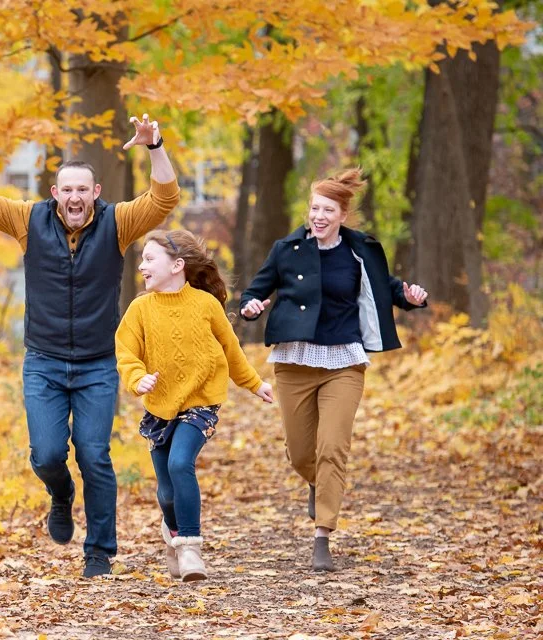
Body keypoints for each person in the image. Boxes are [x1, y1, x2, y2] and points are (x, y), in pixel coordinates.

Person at [0, 114, 180, 577]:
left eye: (84, 189)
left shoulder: (117, 223)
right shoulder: (28, 220)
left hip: (98, 364)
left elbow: (165, 199)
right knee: (47, 455)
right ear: (55, 194)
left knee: (94, 454)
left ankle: (99, 553)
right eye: (67, 190)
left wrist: (154, 145)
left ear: (95, 193)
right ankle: (60, 494)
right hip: (44, 362)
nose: (75, 197)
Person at [239, 168, 427, 571]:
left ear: (342, 214)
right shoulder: (286, 249)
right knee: (301, 452)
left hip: (344, 360)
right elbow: (256, 290)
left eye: (327, 209)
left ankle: (322, 535)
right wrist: (250, 306)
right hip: (294, 361)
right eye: (314, 208)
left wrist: (410, 297)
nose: (318, 216)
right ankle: (316, 481)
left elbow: (388, 287)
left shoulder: (360, 250)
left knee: (333, 447)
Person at [115, 229, 274, 581]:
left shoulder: (206, 306)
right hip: (159, 408)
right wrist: (136, 377)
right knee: (166, 491)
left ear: (177, 265)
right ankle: (172, 533)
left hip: (200, 403)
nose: (142, 265)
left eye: (150, 259)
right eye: (142, 259)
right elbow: (125, 351)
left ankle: (190, 547)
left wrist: (255, 383)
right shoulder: (140, 309)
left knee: (180, 462)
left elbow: (232, 351)